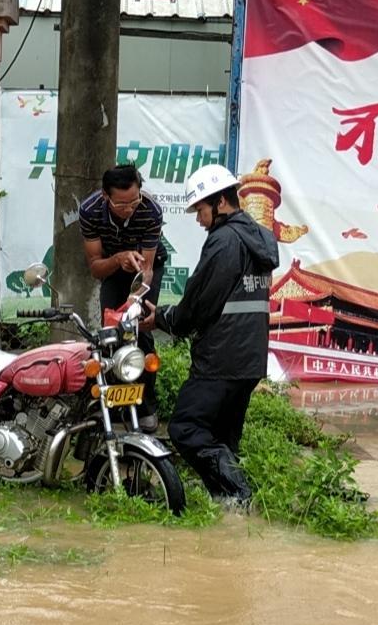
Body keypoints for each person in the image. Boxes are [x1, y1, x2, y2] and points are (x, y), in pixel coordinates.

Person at [140, 164, 277, 508]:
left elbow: (200, 304)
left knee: (186, 427)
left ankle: (239, 493)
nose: (199, 219)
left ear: (219, 203)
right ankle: (230, 509)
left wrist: (162, 318)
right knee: (223, 439)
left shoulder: (224, 242)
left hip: (221, 358)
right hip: (250, 359)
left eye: (200, 210)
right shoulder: (259, 237)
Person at [79, 164, 166, 432]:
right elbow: (95, 267)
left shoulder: (150, 209)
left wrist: (134, 303)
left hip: (146, 270)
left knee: (137, 330)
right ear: (106, 197)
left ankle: (146, 406)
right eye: (121, 205)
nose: (130, 208)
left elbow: (148, 269)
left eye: (134, 201)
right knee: (109, 334)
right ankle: (112, 404)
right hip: (112, 267)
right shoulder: (90, 210)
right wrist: (118, 259)